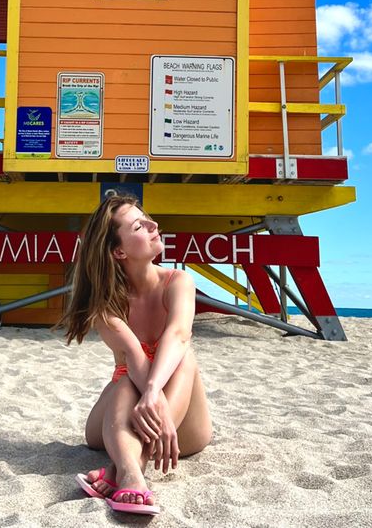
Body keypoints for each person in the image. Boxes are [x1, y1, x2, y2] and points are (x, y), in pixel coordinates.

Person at [61, 190, 212, 515]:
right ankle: (132, 475)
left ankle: (121, 472)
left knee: (184, 358)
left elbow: (179, 334)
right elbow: (133, 356)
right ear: (118, 251)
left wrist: (155, 391)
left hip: (182, 430)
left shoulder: (178, 282)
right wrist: (152, 398)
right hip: (121, 423)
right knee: (127, 378)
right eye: (139, 226)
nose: (153, 224)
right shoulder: (106, 305)